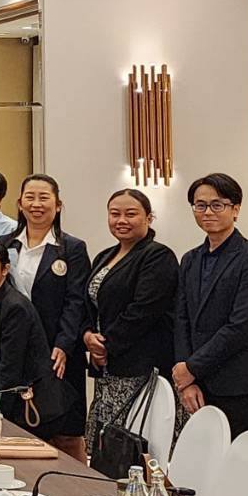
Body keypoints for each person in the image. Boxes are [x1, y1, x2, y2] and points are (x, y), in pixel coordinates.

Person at [174, 173, 248, 436]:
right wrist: (186, 377)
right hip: (197, 382)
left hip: (239, 381)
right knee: (203, 454)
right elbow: (181, 319)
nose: (208, 212)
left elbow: (242, 326)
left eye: (217, 205)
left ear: (235, 209)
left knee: (240, 456)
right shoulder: (190, 259)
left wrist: (192, 368)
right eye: (200, 205)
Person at [85, 189, 180, 449]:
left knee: (131, 447)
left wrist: (106, 345)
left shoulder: (158, 256)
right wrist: (88, 336)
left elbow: (144, 310)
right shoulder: (105, 255)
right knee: (103, 446)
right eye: (114, 214)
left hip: (139, 365)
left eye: (131, 214)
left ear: (149, 217)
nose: (121, 220)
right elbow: (90, 306)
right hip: (108, 368)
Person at [6, 174, 90, 459]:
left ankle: (76, 483)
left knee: (66, 431)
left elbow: (76, 301)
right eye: (30, 197)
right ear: (20, 204)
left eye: (44, 198)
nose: (36, 204)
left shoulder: (72, 248)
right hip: (19, 351)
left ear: (58, 205)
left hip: (59, 353)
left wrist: (64, 345)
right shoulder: (7, 245)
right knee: (25, 430)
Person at [0, 239, 67, 440]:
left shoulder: (14, 307)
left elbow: (11, 369)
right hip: (12, 397)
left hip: (31, 402)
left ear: (5, 269)